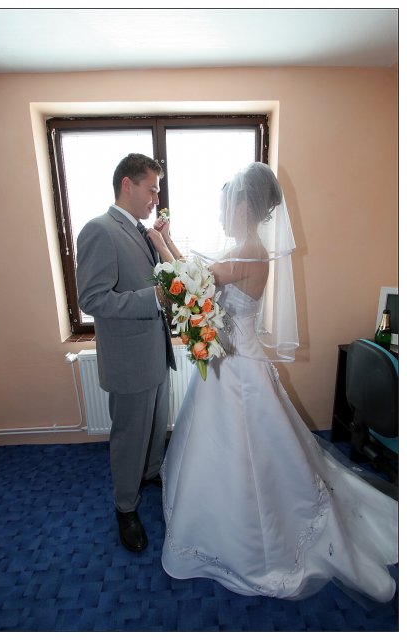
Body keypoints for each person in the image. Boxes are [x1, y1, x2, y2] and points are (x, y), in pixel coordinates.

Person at [148, 162, 398, 602]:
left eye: (226, 206)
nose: (221, 215)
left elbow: (193, 288)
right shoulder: (244, 248)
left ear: (245, 206)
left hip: (238, 368)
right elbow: (199, 278)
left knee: (246, 451)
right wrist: (167, 241)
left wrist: (159, 245)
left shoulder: (249, 253)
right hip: (232, 359)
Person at [76, 153, 176, 553]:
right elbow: (92, 299)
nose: (156, 198)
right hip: (129, 360)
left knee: (155, 425)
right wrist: (152, 298)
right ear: (127, 185)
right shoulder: (99, 230)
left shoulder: (141, 231)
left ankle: (149, 473)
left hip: (154, 351)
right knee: (129, 436)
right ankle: (125, 507)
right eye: (152, 189)